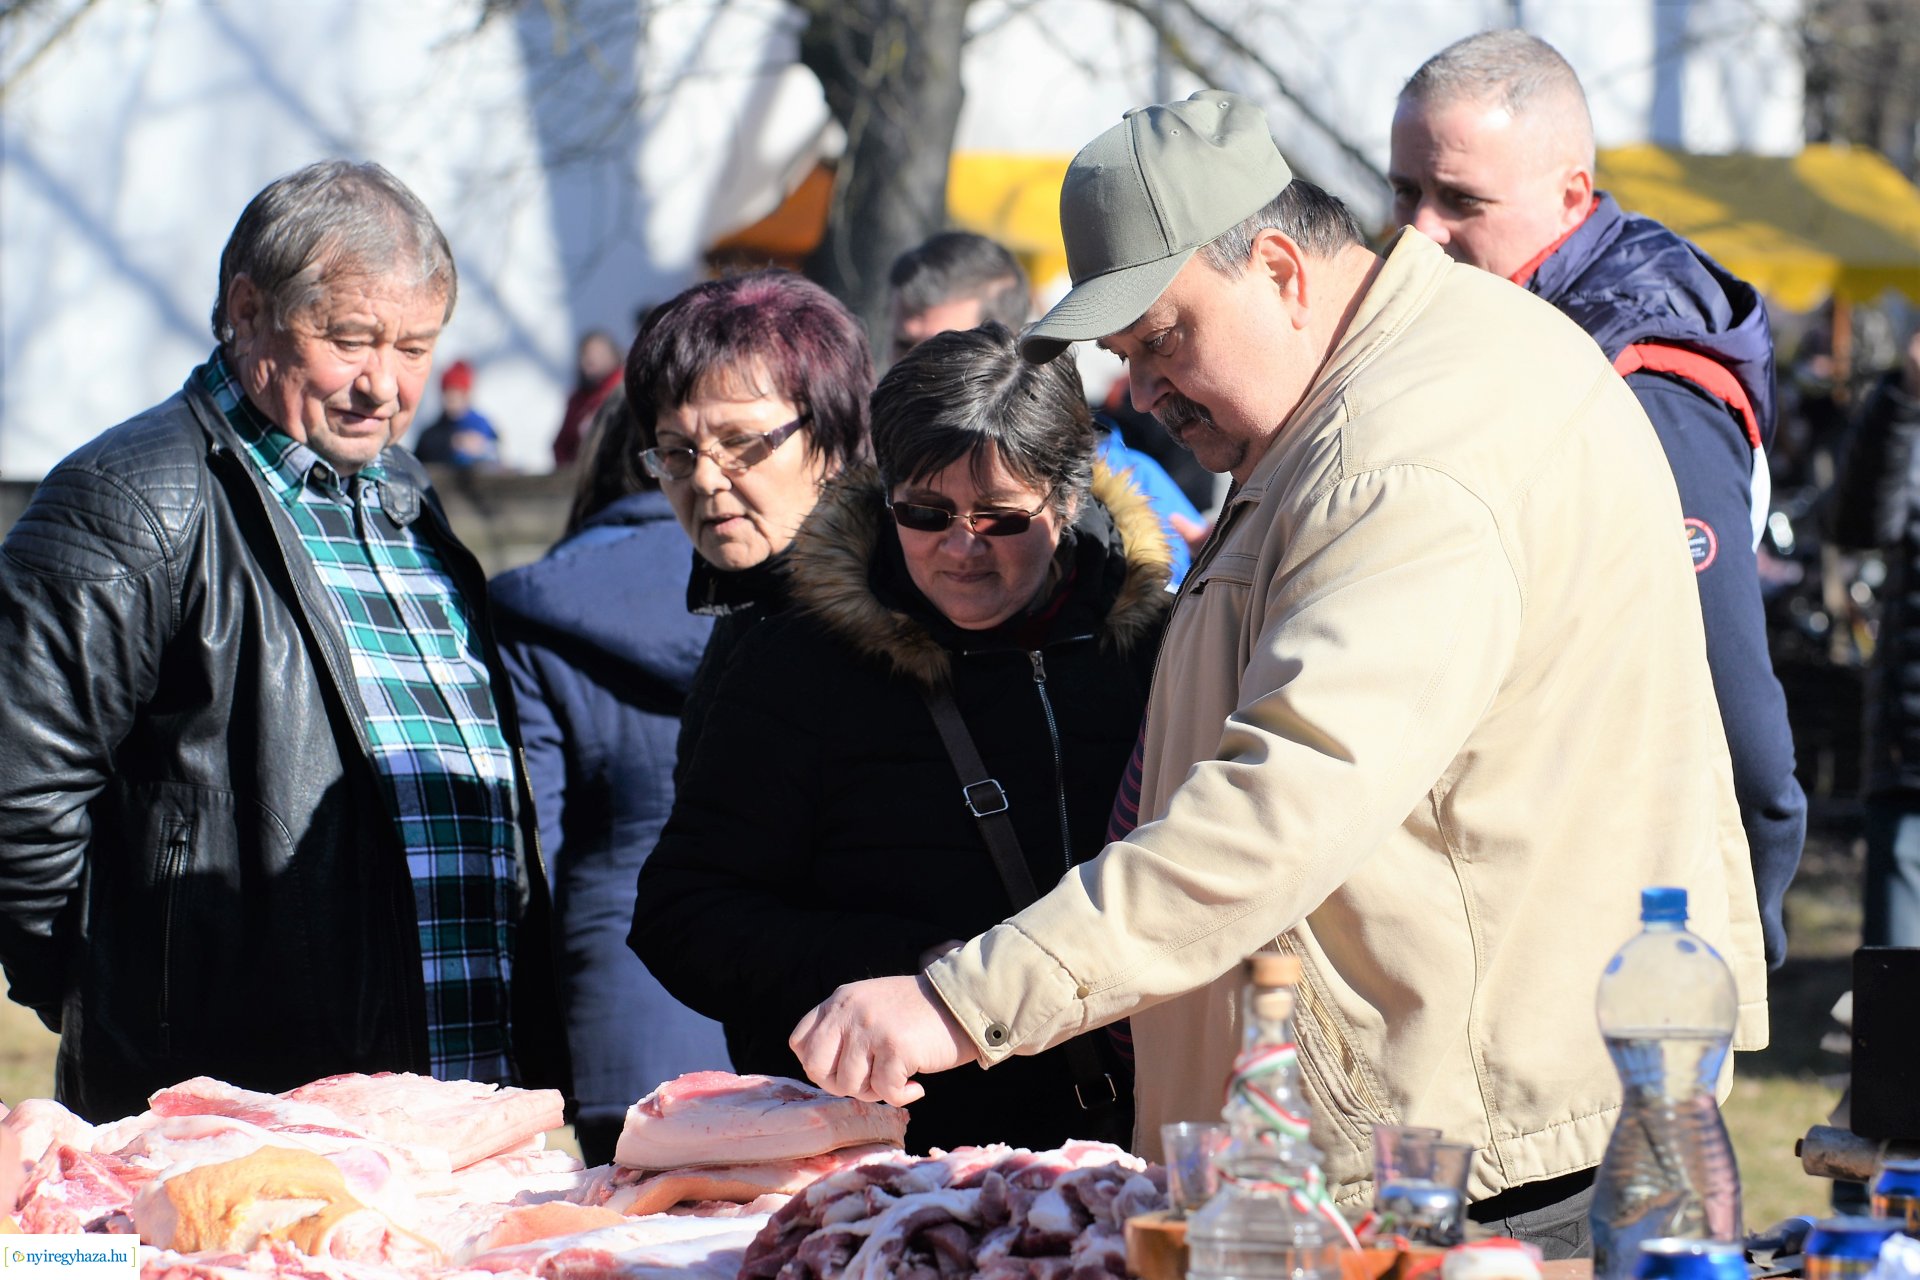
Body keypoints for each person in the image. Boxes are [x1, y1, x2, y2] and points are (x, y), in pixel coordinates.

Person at [787, 91, 1767, 1256]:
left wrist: (965, 997)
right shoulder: (1379, 383)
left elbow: (1278, 801)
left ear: (1279, 267)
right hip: (1452, 1123)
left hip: (1454, 1166)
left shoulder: (1397, 455)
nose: (1144, 390)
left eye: (1162, 338)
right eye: (1124, 356)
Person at [0, 160, 567, 1123]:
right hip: (242, 1113)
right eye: (349, 338)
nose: (382, 385)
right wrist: (133, 1003)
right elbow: (19, 805)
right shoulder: (135, 502)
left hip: (466, 1099)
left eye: (415, 346)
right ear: (247, 308)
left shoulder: (408, 501)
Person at [632, 323, 1171, 1152]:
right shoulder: (800, 657)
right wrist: (916, 962)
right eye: (924, 513)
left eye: (998, 518)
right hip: (906, 1160)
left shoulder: (1158, 643)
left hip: (1140, 1129)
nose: (960, 549)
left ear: (1067, 500)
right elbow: (685, 915)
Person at [1388, 30, 1806, 971]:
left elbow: (1737, 716)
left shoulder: (1646, 387)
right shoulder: (1503, 326)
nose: (1419, 232)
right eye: (1403, 192)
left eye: (1461, 200)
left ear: (1572, 195)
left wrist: (1743, 938)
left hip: (1620, 942)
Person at [491, 386, 729, 1167]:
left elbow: (535, 849)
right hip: (792, 1012)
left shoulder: (540, 608)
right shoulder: (787, 589)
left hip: (619, 1017)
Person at [622, 269, 875, 770]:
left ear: (830, 438)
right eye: (676, 452)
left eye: (740, 443)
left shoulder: (905, 624)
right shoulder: (750, 611)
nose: (705, 480)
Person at [890, 231, 1206, 583]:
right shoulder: (864, 492)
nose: (916, 372)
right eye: (923, 513)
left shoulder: (1136, 494)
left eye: (1000, 515)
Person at [1830, 315, 1920, 948]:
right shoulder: (1906, 410)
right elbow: (1862, 521)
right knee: (1899, 994)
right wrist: (1907, 396)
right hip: (1912, 755)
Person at [551, 330, 624, 468]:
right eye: (585, 354)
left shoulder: (624, 390)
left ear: (613, 355)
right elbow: (562, 443)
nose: (589, 360)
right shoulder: (578, 400)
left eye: (597, 354)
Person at [414, 359, 502, 468]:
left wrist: (482, 448)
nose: (450, 401)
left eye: (456, 395)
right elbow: (419, 458)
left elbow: (496, 453)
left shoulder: (482, 425)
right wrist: (451, 442)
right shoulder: (433, 432)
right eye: (447, 395)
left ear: (466, 396)